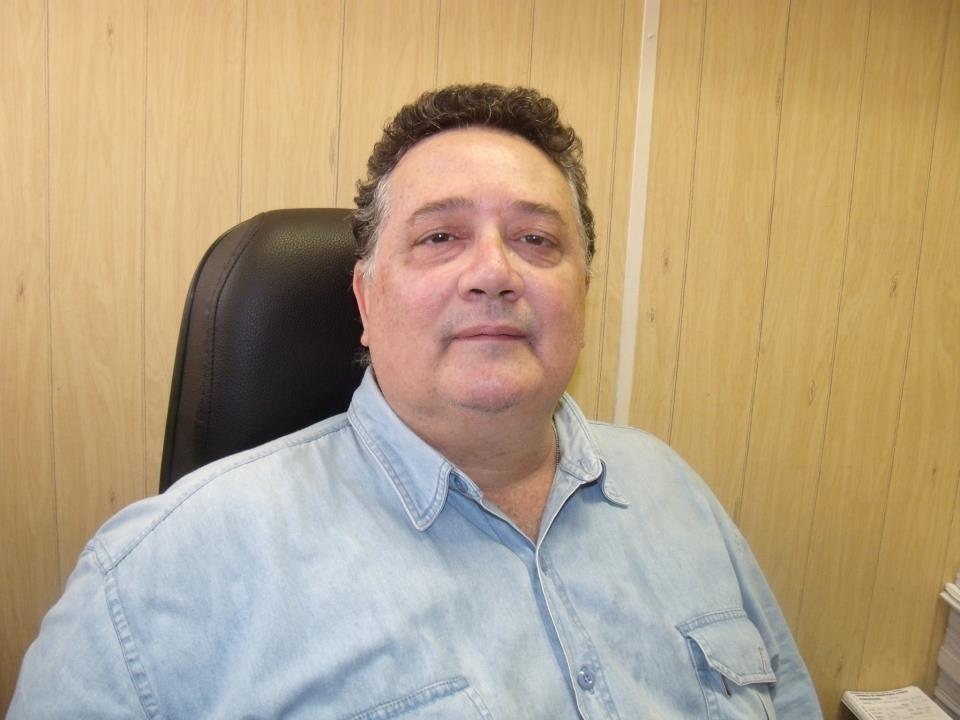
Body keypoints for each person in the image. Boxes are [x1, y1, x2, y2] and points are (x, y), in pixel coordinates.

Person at [8, 84, 822, 719]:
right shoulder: (161, 577)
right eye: (440, 237)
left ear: (582, 295)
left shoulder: (678, 495)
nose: (494, 272)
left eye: (536, 239)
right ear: (366, 301)